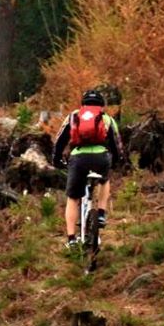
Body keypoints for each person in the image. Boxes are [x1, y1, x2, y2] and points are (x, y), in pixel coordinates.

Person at [51, 90, 124, 248]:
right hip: (101, 158)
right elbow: (117, 144)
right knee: (105, 180)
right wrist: (117, 161)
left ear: (83, 104)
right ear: (102, 106)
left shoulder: (73, 117)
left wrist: (56, 159)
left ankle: (71, 239)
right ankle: (101, 214)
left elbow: (59, 140)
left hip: (78, 159)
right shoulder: (107, 118)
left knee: (73, 198)